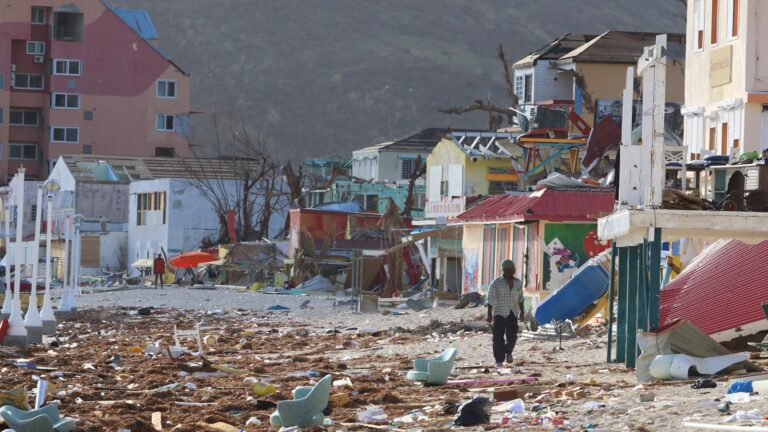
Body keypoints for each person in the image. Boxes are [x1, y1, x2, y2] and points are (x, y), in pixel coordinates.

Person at [486, 259, 525, 367]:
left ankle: (508, 352)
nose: (514, 271)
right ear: (505, 270)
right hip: (499, 313)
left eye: (514, 268)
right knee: (498, 338)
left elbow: (520, 298)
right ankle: (499, 360)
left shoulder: (518, 283)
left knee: (512, 336)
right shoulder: (496, 283)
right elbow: (490, 299)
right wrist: (489, 314)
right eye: (512, 269)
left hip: (513, 312)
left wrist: (522, 312)